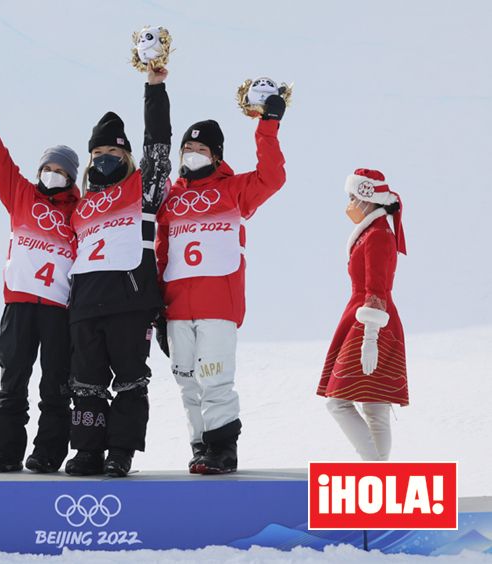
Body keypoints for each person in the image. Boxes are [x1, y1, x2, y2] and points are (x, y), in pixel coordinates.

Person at [155, 95, 287, 474]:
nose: (192, 153)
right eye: (187, 148)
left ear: (215, 156)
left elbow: (272, 177)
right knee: (186, 383)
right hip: (177, 305)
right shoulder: (171, 197)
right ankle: (201, 446)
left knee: (214, 379)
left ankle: (222, 448)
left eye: (201, 148)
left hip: (217, 304)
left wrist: (268, 125)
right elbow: (161, 251)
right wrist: (157, 308)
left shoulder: (233, 189)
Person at [0, 104, 80, 473]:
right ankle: (5, 450)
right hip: (19, 306)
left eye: (60, 171)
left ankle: (48, 453)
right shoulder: (21, 195)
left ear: (71, 177)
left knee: (56, 386)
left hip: (58, 310)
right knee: (12, 383)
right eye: (48, 169)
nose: (53, 175)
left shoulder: (81, 212)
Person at [65, 64, 171, 477]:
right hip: (86, 304)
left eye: (111, 154)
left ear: (125, 156)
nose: (103, 160)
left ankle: (120, 452)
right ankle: (87, 451)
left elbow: (159, 144)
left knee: (130, 380)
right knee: (85, 383)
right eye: (96, 155)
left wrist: (155, 88)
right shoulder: (80, 205)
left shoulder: (143, 188)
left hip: (131, 300)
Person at [317, 168, 408, 461]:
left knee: (338, 401)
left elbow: (376, 289)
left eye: (353, 197)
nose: (350, 204)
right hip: (364, 314)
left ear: (368, 199)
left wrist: (370, 336)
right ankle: (379, 471)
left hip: (370, 318)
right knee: (374, 405)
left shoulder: (378, 235)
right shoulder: (372, 232)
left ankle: (375, 469)